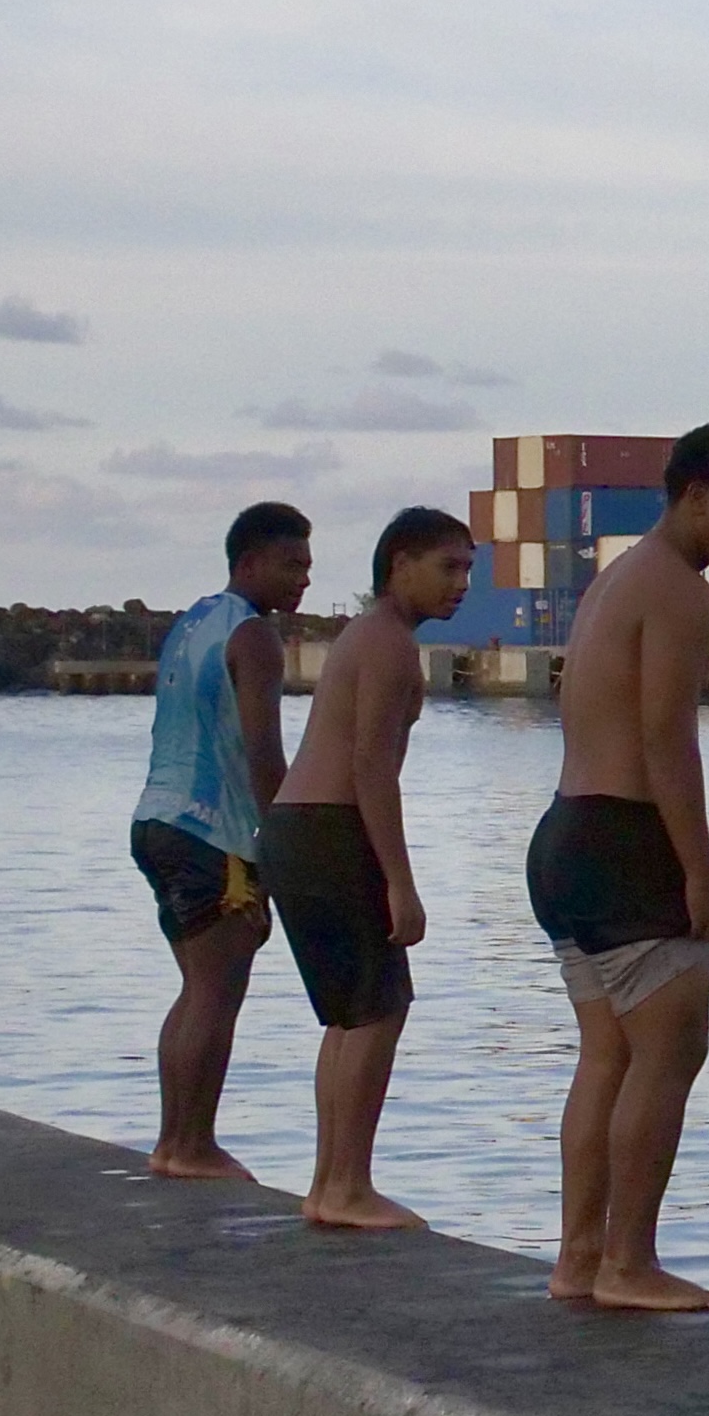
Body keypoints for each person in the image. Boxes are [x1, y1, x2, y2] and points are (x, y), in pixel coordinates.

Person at [531, 422, 709, 1313]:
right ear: (694, 495)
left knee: (606, 1057)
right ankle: (628, 1263)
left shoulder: (615, 579)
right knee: (668, 1055)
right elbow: (666, 737)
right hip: (626, 840)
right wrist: (700, 875)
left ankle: (577, 1261)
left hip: (564, 835)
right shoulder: (677, 591)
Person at [265, 505, 477, 1232]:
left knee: (349, 1018)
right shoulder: (386, 644)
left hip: (295, 827)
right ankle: (347, 1184)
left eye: (469, 569)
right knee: (379, 1010)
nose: (462, 584)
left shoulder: (365, 636)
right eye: (448, 567)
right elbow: (370, 769)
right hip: (330, 828)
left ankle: (330, 1182)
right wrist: (401, 883)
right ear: (399, 565)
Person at [134, 502, 315, 1182]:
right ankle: (191, 1145)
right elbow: (264, 753)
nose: (301, 580)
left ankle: (172, 1141)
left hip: (155, 820)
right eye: (289, 564)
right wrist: (286, 840)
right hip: (213, 831)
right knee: (216, 991)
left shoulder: (191, 624)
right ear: (248, 563)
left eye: (307, 566)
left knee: (195, 989)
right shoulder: (255, 638)